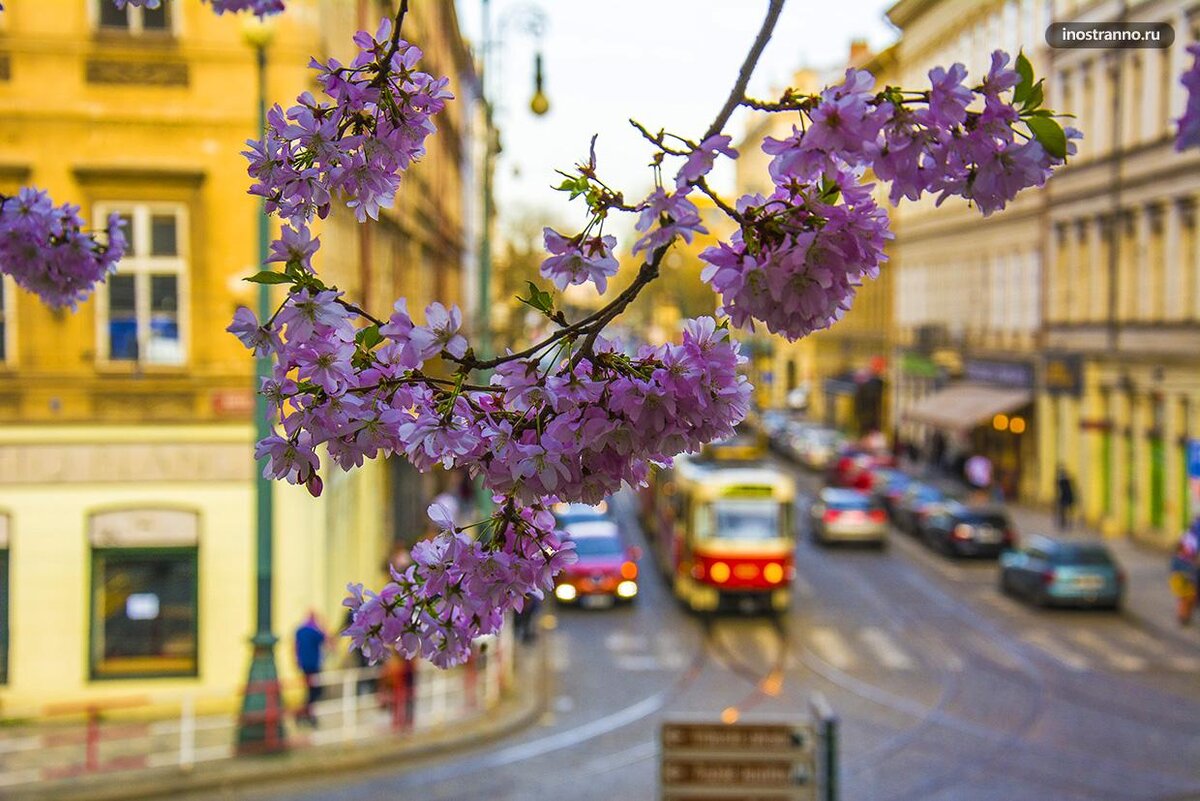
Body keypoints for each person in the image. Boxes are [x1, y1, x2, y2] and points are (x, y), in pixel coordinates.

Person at [294, 613, 326, 727]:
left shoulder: (299, 630)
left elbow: (295, 646)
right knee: (316, 691)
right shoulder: (314, 631)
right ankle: (304, 713)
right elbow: (325, 638)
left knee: (310, 690)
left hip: (304, 664)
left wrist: (296, 661)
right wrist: (323, 625)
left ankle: (305, 714)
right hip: (313, 665)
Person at [1169, 538, 1198, 626]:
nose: (1189, 549)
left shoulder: (1189, 558)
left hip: (1190, 582)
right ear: (1181, 548)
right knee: (1184, 600)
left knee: (1190, 600)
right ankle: (1183, 617)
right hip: (1182, 582)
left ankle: (1185, 616)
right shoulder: (1178, 559)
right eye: (1187, 547)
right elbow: (1175, 572)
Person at [1055, 465, 1077, 532]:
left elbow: (1060, 490)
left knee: (1064, 511)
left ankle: (1065, 523)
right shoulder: (1067, 480)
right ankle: (1066, 523)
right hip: (1067, 497)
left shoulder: (1061, 481)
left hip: (1065, 497)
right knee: (1066, 512)